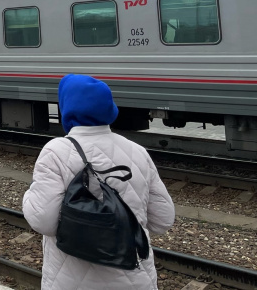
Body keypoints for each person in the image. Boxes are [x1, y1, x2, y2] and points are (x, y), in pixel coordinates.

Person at [22, 75, 175, 290]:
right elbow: (163, 220)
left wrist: (29, 195)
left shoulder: (55, 152)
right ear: (109, 108)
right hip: (135, 280)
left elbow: (42, 221)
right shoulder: (137, 152)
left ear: (66, 107)